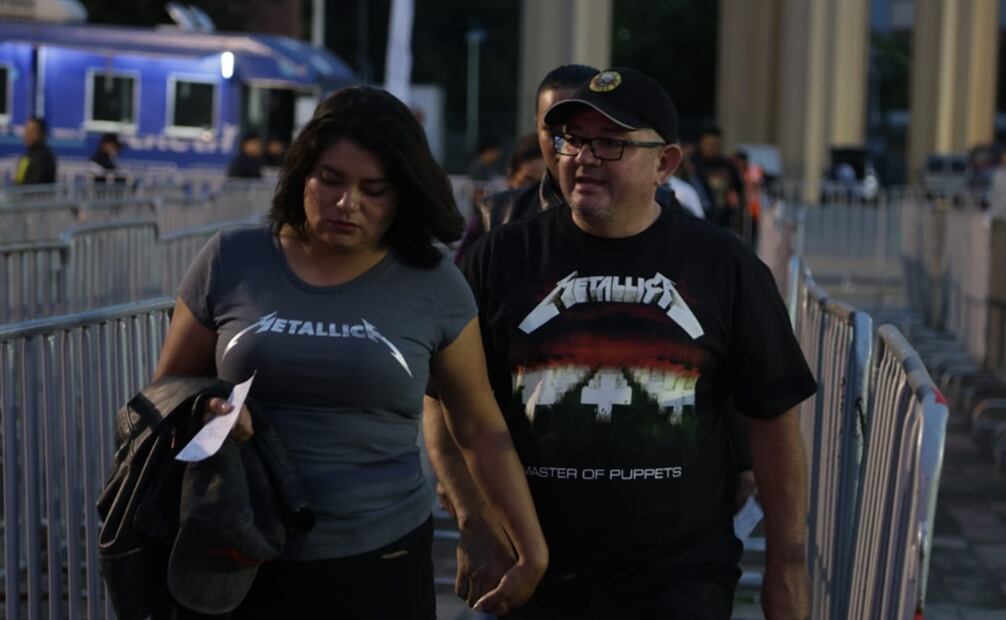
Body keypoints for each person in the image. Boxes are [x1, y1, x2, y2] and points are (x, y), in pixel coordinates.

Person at [425, 67, 815, 619]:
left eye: (610, 143)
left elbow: (774, 420)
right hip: (534, 576)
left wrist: (787, 564)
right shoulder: (500, 258)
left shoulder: (725, 267)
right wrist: (475, 521)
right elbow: (445, 404)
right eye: (573, 139)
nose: (583, 157)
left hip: (678, 578)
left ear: (665, 163)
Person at [154, 86, 548, 619]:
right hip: (234, 553)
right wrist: (206, 412)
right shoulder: (231, 258)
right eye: (331, 179)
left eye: (374, 189)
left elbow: (479, 428)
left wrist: (527, 548)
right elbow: (166, 397)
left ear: (404, 193)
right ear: (302, 175)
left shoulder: (435, 284)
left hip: (381, 556)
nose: (347, 203)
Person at [452, 64, 598, 263]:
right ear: (537, 128)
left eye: (576, 134)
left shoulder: (636, 217)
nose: (566, 146)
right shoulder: (494, 217)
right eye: (554, 132)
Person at [691, 123, 744, 230]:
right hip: (699, 217)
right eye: (708, 144)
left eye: (715, 144)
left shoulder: (727, 165)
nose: (711, 148)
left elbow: (738, 189)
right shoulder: (692, 165)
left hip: (724, 219)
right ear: (701, 143)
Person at [15, 117, 57, 185]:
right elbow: (19, 180)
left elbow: (36, 185)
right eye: (26, 130)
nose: (26, 134)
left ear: (41, 134)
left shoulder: (46, 157)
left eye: (31, 132)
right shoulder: (27, 155)